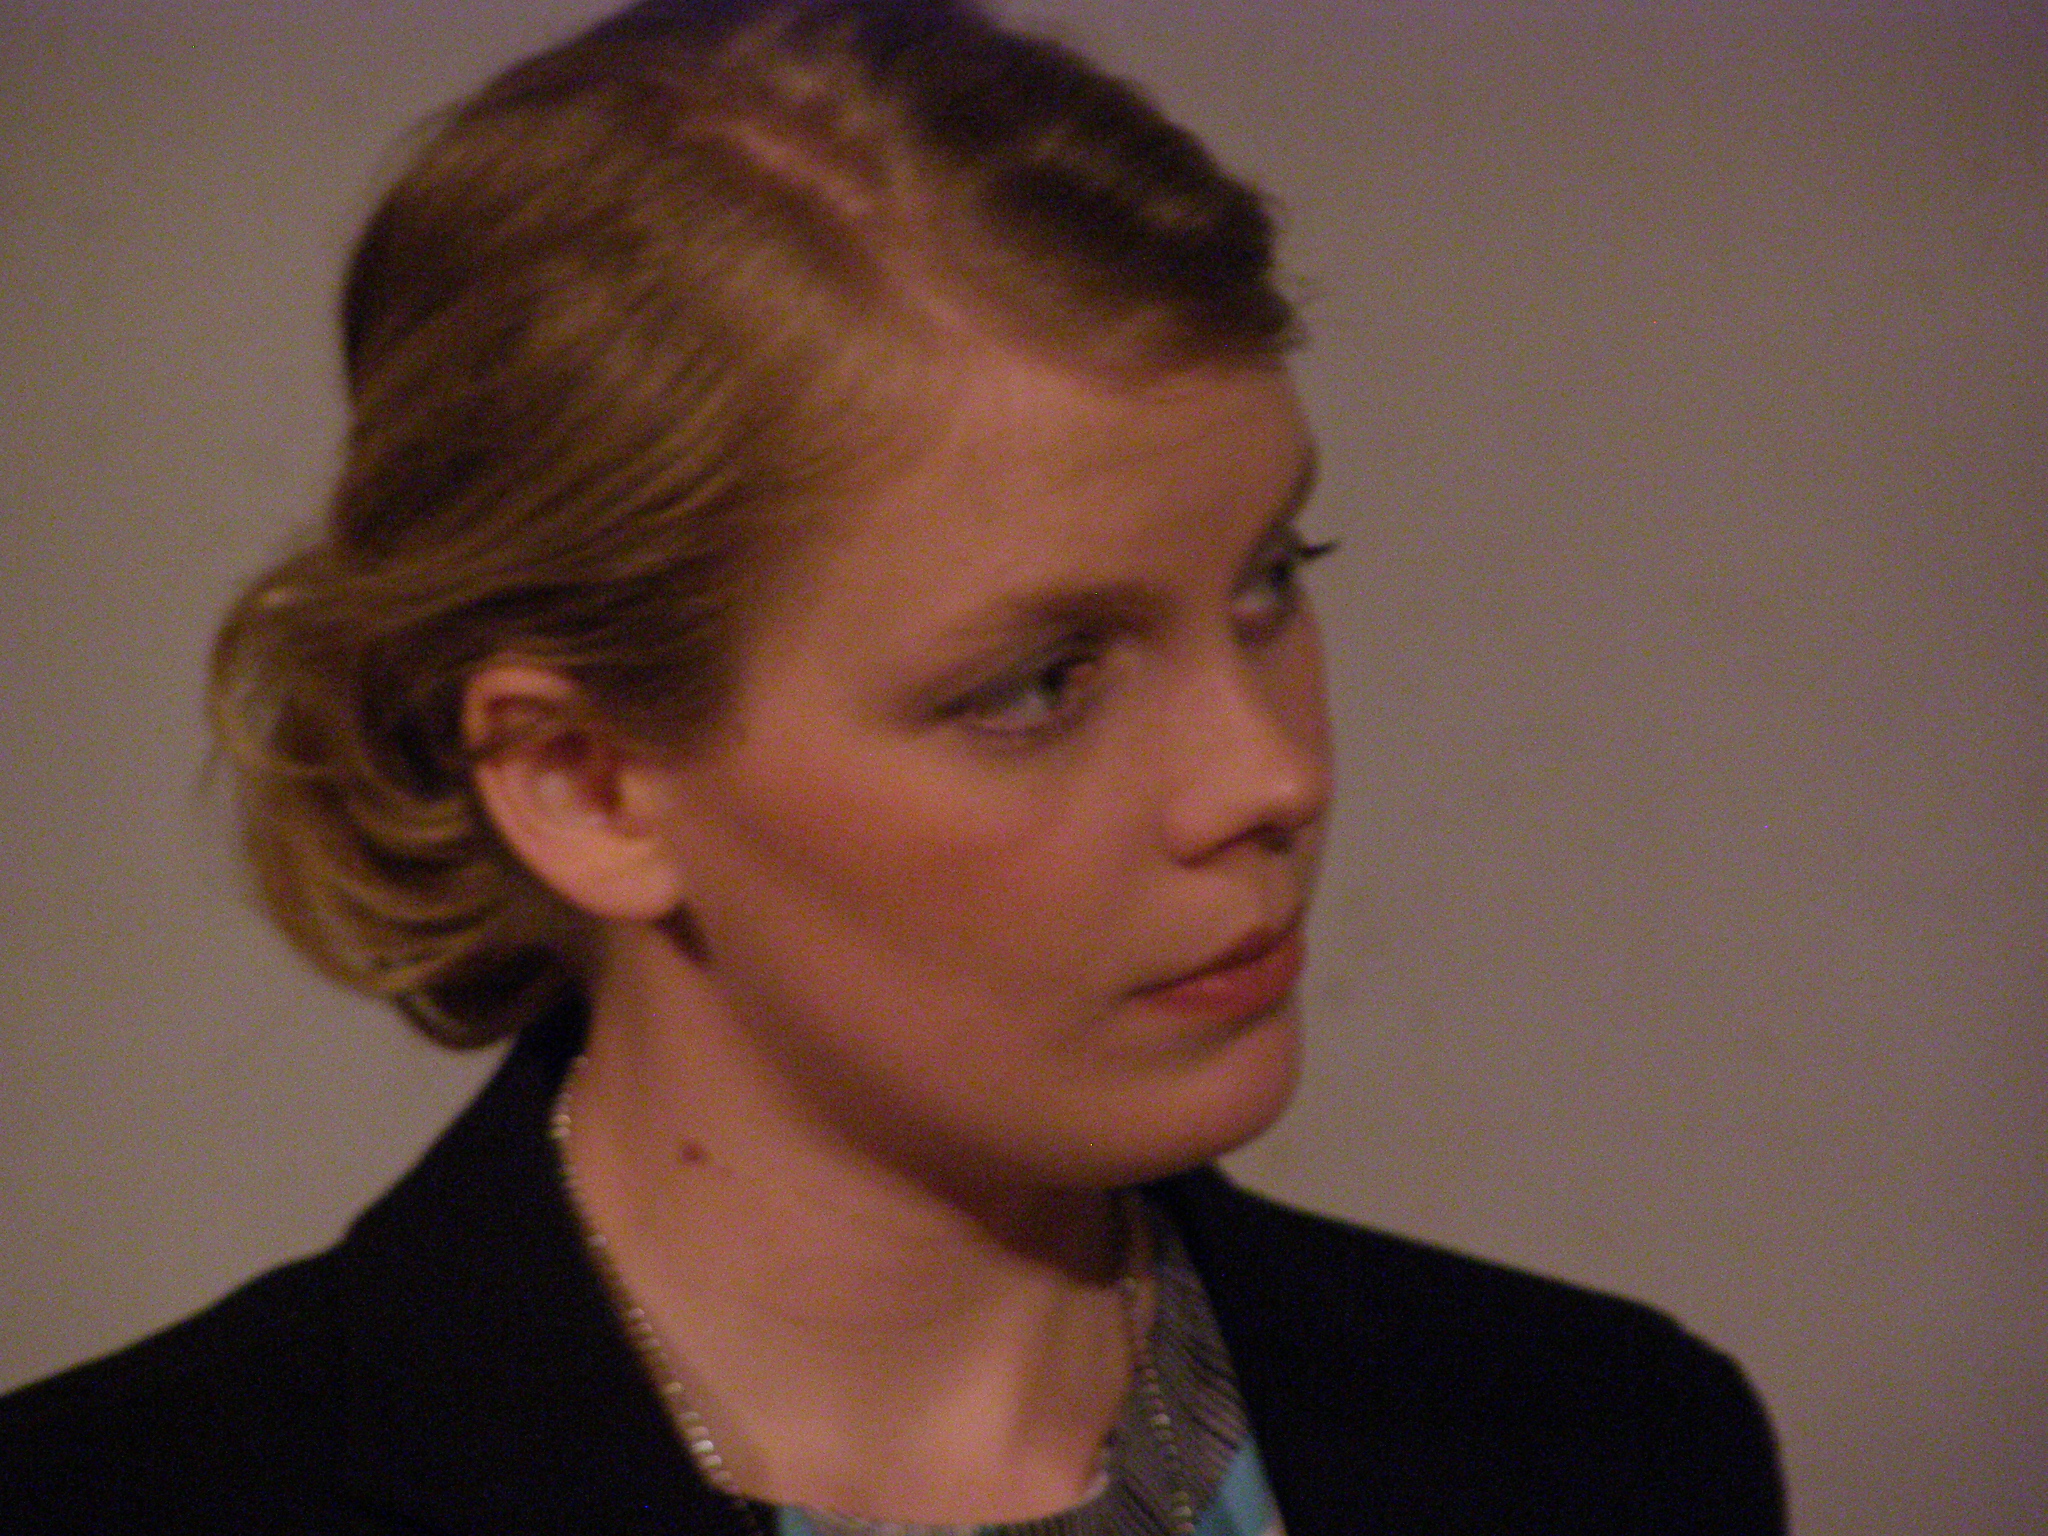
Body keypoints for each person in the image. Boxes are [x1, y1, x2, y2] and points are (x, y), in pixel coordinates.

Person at [0, 2, 1785, 1531]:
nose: (1267, 777)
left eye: (1268, 583)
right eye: (1041, 684)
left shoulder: (1603, 1448)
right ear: (584, 784)